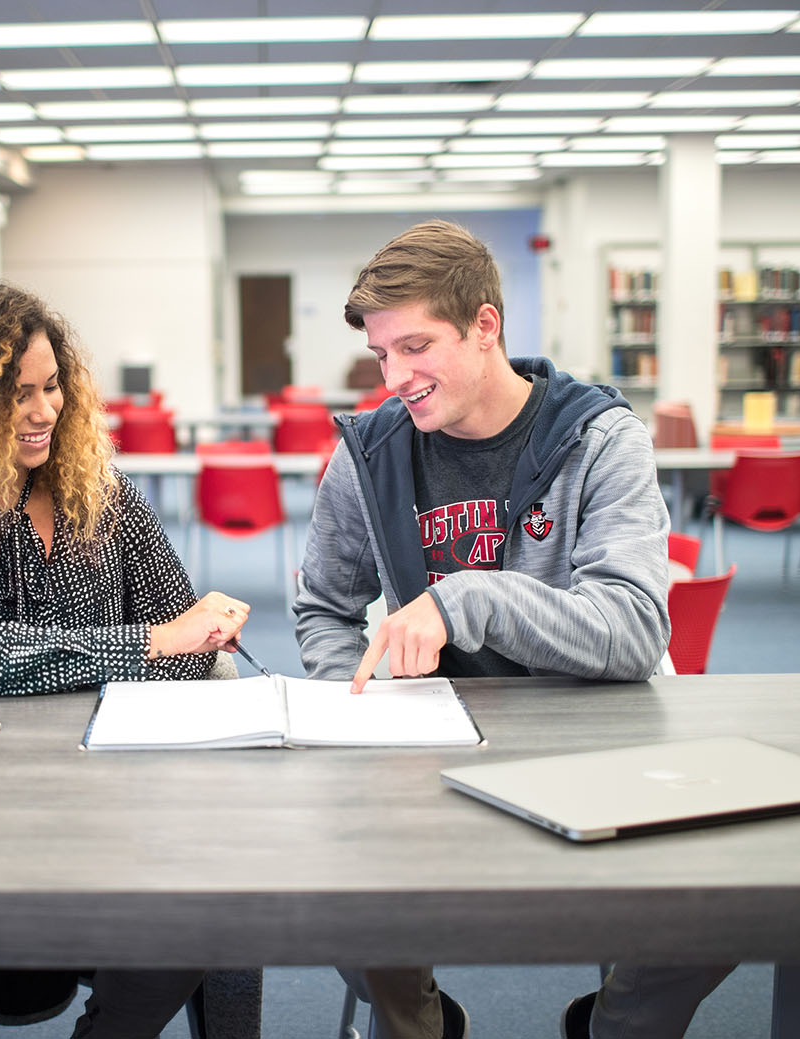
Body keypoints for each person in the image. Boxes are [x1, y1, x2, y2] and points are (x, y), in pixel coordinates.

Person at [292, 220, 732, 1039]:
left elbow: (634, 626)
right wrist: (343, 698)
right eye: (383, 355)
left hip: (599, 730)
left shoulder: (601, 438)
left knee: (731, 905)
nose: (397, 378)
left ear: (486, 325)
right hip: (430, 746)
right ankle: (416, 1021)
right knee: (332, 900)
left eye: (416, 347)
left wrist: (468, 598)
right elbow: (323, 602)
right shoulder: (370, 452)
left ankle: (617, 1024)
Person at [0, 279, 251, 1039]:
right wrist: (149, 644)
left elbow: (195, 647)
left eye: (53, 385)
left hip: (94, 804)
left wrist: (181, 640)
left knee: (214, 896)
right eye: (14, 394)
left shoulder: (104, 495)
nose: (44, 410)